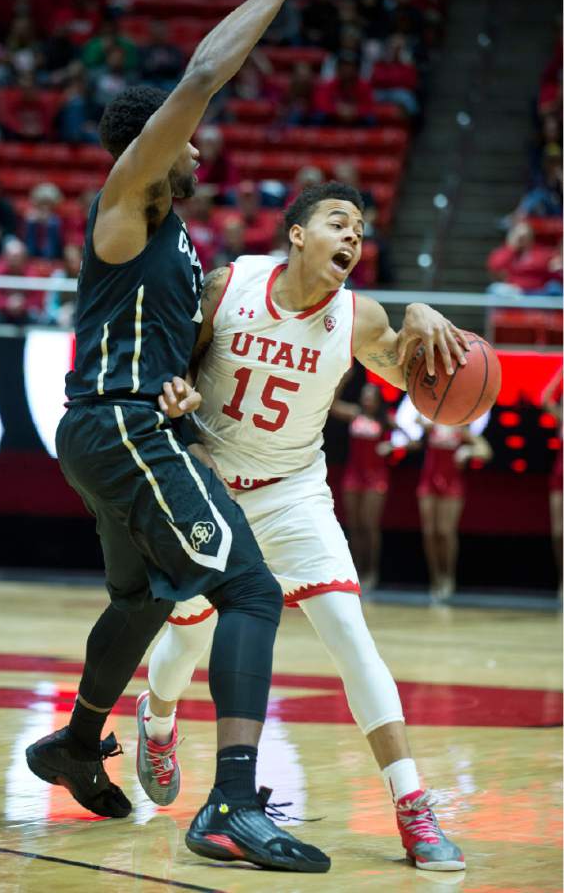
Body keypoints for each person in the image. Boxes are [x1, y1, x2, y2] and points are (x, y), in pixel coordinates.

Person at [24, 0, 344, 874]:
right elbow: (202, 71)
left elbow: (165, 341)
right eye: (185, 139)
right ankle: (231, 807)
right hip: (117, 426)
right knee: (247, 586)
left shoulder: (173, 239)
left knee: (139, 600)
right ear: (152, 144)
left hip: (117, 421)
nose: (200, 149)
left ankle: (77, 744)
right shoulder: (128, 195)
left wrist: (177, 377)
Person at [142, 180, 469, 872]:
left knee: (352, 636)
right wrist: (176, 393)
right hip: (214, 486)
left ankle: (412, 810)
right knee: (186, 638)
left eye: (361, 229)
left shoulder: (361, 317)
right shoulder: (231, 284)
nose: (353, 236)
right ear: (296, 233)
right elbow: (174, 364)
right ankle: (159, 721)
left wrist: (420, 315)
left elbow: (420, 376)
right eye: (338, 222)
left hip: (294, 491)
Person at [332, 381, 400, 590]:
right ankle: (356, 570)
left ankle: (371, 571)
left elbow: (411, 438)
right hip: (354, 474)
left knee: (369, 526)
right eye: (365, 394)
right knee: (354, 526)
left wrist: (392, 445)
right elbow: (333, 405)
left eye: (371, 395)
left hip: (376, 477)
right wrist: (343, 380)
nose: (367, 398)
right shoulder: (355, 413)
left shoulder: (385, 419)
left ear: (378, 399)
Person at [416, 420, 492, 600]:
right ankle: (435, 578)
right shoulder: (431, 425)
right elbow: (416, 425)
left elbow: (486, 451)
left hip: (452, 484)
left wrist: (468, 451)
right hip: (429, 481)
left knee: (445, 532)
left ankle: (448, 576)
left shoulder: (461, 430)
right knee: (429, 533)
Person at [541, 366, 563, 597]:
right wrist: (561, 373)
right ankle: (562, 578)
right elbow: (545, 399)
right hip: (560, 468)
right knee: (559, 531)